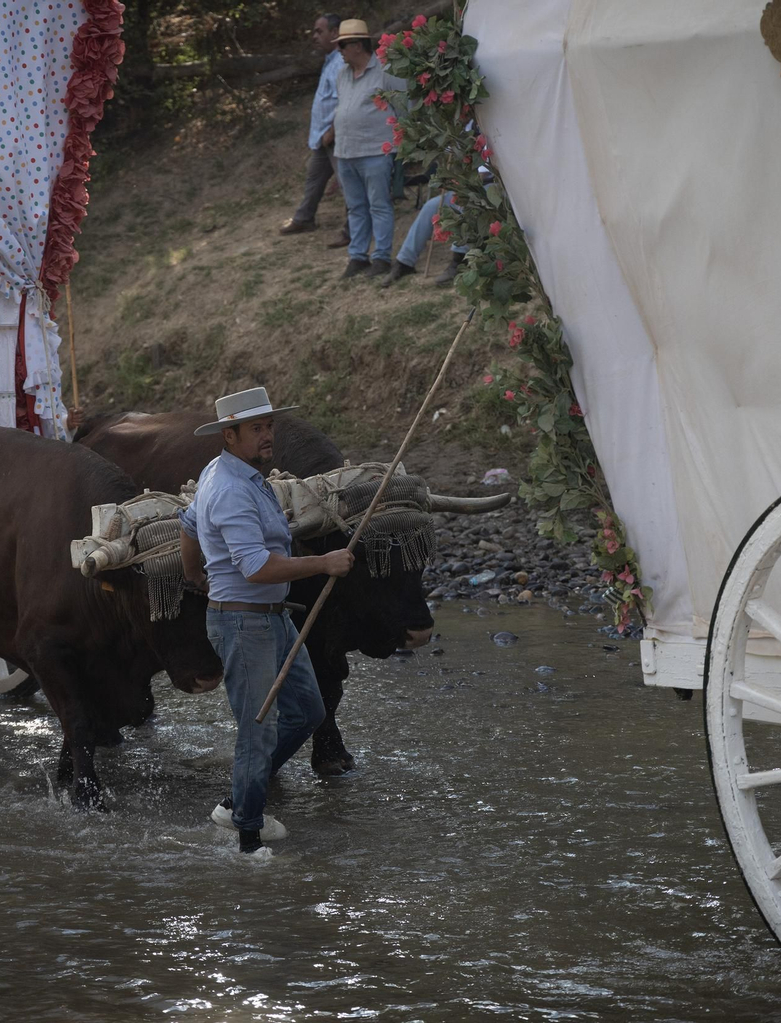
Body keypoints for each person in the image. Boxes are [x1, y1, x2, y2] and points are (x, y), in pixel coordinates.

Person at [179, 387, 354, 856]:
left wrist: (193, 572)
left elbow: (189, 523)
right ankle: (248, 838)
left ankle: (237, 800)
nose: (267, 436)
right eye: (256, 428)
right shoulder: (231, 488)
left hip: (273, 617)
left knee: (309, 712)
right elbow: (256, 567)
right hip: (245, 623)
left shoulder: (230, 472)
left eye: (269, 426)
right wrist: (325, 564)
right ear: (229, 434)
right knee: (258, 732)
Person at [331, 18, 406, 278]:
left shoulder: (385, 71)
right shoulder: (342, 74)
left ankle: (382, 257)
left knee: (379, 205)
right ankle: (357, 256)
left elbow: (404, 108)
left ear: (359, 45)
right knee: (355, 207)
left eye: (343, 45)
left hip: (376, 150)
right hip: (346, 151)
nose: (339, 50)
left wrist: (405, 144)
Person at [279, 14, 348, 246]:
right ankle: (304, 218)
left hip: (334, 136)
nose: (314, 36)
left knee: (348, 184)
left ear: (335, 33)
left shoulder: (340, 62)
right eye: (314, 31)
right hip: (324, 138)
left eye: (320, 31)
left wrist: (332, 131)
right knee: (314, 178)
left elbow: (345, 102)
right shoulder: (331, 60)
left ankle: (353, 230)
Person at [381, 190, 466, 287]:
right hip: (461, 190)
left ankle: (460, 260)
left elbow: (483, 176)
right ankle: (405, 261)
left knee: (466, 204)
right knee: (431, 206)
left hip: (482, 190)